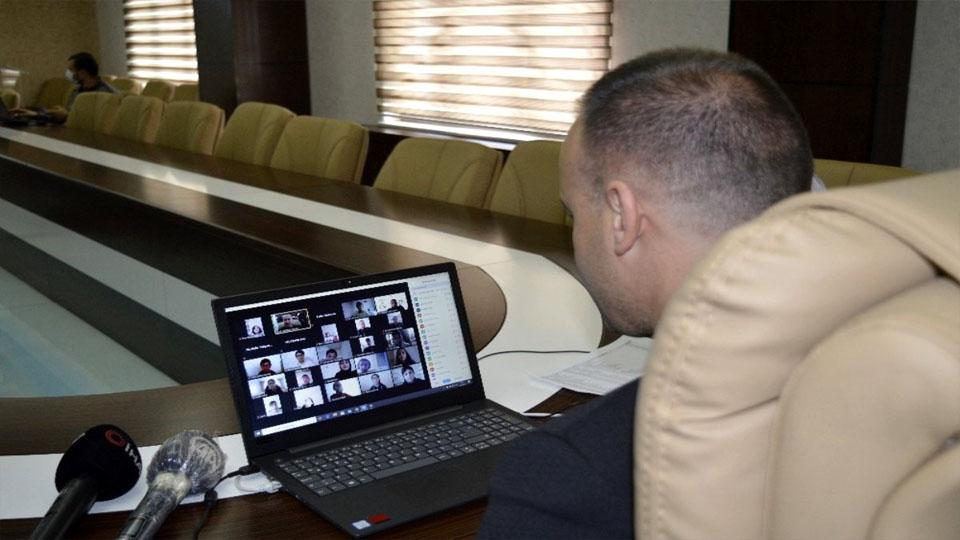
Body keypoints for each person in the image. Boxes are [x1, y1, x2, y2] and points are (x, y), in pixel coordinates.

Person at [478, 48, 812, 539]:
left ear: (622, 218)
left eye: (574, 214)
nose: (576, 236)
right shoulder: (888, 365)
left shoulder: (573, 473)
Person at [10, 52, 114, 123]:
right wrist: (36, 114)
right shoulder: (77, 90)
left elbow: (94, 123)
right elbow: (67, 115)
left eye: (71, 70)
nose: (68, 73)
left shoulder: (106, 94)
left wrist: (65, 115)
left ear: (82, 73)